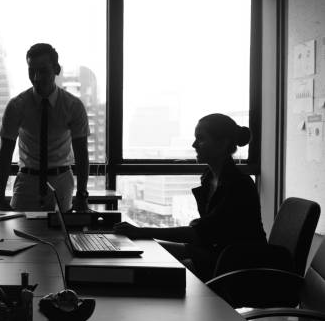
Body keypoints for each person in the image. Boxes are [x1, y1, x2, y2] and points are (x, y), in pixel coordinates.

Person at [114, 113, 267, 281]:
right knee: (150, 252)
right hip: (216, 256)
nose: (194, 144)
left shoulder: (239, 185)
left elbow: (200, 234)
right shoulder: (209, 178)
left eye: (201, 139)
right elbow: (205, 232)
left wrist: (139, 231)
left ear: (222, 144)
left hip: (238, 266)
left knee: (155, 270)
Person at [0, 43, 90, 212]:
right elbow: (5, 152)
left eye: (43, 70)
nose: (37, 77)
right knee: (16, 235)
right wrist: (0, 195)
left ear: (56, 69)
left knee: (60, 236)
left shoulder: (73, 106)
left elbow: (82, 153)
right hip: (27, 181)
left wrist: (82, 194)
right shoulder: (17, 105)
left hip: (61, 182)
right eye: (31, 71)